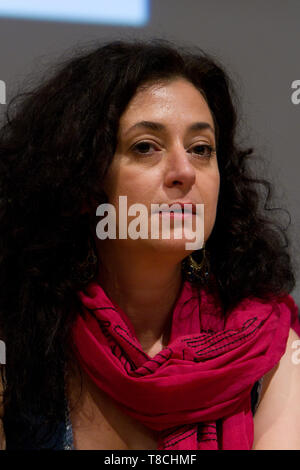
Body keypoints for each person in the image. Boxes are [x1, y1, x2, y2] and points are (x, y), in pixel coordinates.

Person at [0, 38, 299, 451]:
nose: (184, 172)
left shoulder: (268, 343)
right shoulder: (17, 338)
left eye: (201, 150)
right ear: (82, 179)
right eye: (146, 147)